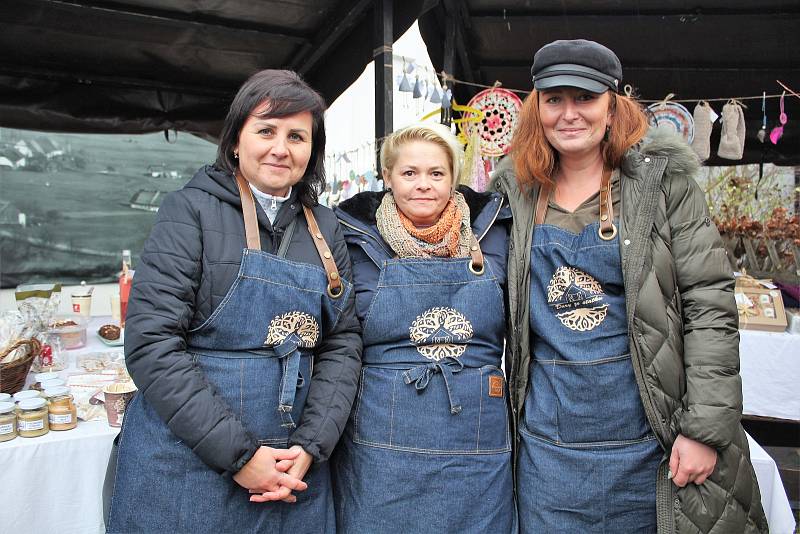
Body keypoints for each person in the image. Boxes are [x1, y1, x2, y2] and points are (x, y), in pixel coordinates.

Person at [491, 40, 768, 533]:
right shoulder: (515, 190)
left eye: (585, 98)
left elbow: (710, 305)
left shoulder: (663, 183)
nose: (569, 114)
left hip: (652, 437)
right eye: (554, 99)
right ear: (537, 108)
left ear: (612, 105)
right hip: (546, 449)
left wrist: (704, 429)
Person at [106, 70, 362, 533]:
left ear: (312, 150)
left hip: (293, 471)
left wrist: (311, 446)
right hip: (190, 464)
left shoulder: (326, 228)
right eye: (266, 130)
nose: (280, 148)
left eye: (297, 136)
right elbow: (152, 344)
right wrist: (240, 456)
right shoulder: (189, 212)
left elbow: (342, 344)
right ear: (235, 141)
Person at [331, 123, 515, 532]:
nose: (423, 185)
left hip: (475, 431)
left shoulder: (497, 229)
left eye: (436, 173)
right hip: (381, 438)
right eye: (409, 173)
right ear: (387, 177)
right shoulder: (351, 237)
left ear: (454, 179)